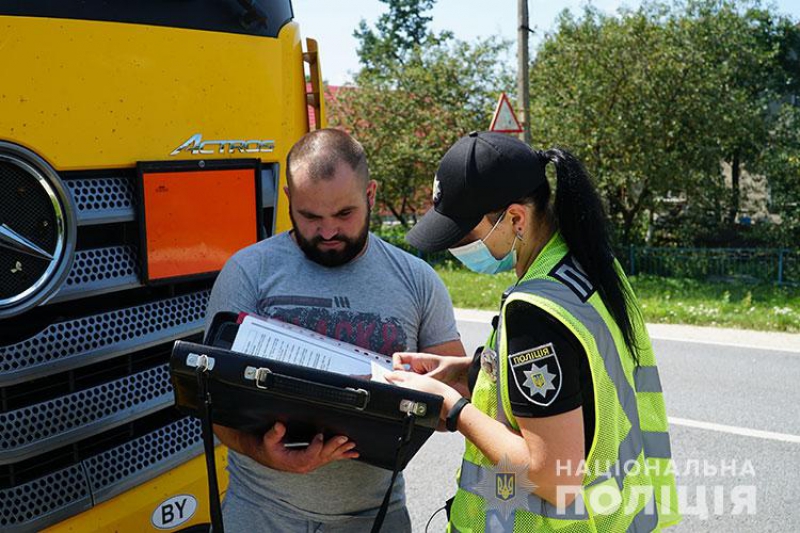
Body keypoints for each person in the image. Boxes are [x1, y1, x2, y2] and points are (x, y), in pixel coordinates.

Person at [386, 131, 681, 532]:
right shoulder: (588, 267)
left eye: (465, 236)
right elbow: (584, 381)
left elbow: (552, 479)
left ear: (515, 218)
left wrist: (450, 407)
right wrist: (466, 371)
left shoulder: (534, 312)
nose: (457, 248)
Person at [205, 128, 465, 533]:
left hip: (376, 517)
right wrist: (262, 451)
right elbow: (214, 405)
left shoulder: (417, 280)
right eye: (310, 217)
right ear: (289, 200)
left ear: (371, 195)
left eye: (344, 214)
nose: (327, 232)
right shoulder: (248, 273)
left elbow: (455, 400)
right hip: (260, 513)